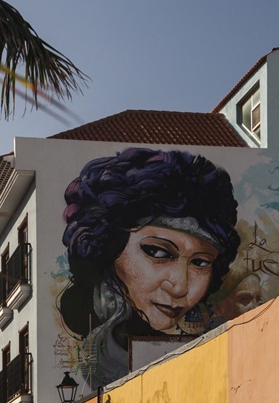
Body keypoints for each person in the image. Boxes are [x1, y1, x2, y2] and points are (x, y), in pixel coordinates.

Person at [58, 147, 240, 387]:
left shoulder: (226, 342)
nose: (179, 287)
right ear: (109, 248)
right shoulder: (99, 354)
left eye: (200, 262)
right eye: (157, 252)